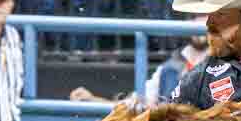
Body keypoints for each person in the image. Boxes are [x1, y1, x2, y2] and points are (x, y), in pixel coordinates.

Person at [70, 13, 208, 105]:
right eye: (194, 15)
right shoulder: (170, 67)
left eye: (205, 15)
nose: (198, 22)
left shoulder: (226, 64)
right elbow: (135, 104)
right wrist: (93, 101)